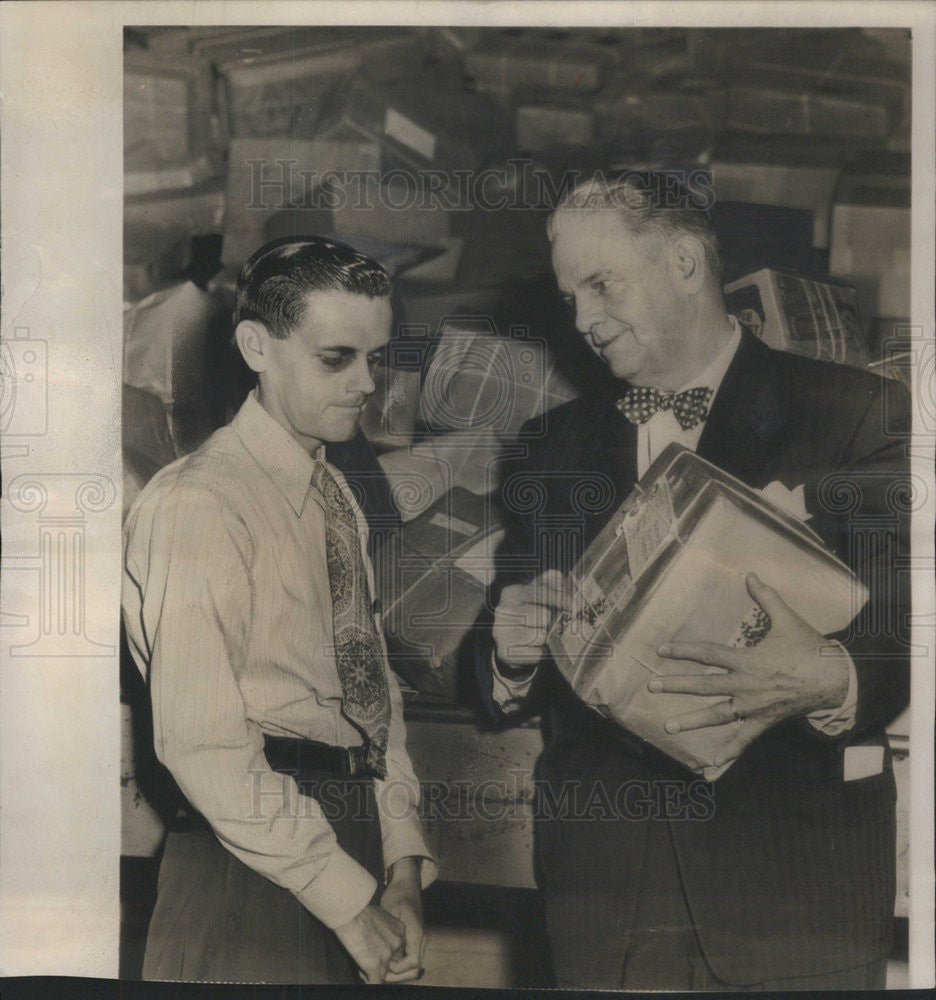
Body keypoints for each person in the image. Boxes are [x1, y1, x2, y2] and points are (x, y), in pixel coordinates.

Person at [483, 173, 911, 990]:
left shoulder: (855, 411)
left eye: (600, 283)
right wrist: (507, 655)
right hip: (607, 904)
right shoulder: (553, 444)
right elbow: (512, 655)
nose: (581, 318)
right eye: (569, 293)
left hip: (794, 896)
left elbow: (909, 614)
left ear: (684, 261)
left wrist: (830, 674)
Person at [123, 236, 436, 985]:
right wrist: (345, 896)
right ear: (256, 346)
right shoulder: (200, 503)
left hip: (345, 846)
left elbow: (371, 689)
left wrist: (400, 859)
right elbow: (201, 745)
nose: (367, 383)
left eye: (376, 356)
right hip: (248, 868)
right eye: (337, 358)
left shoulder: (335, 497)